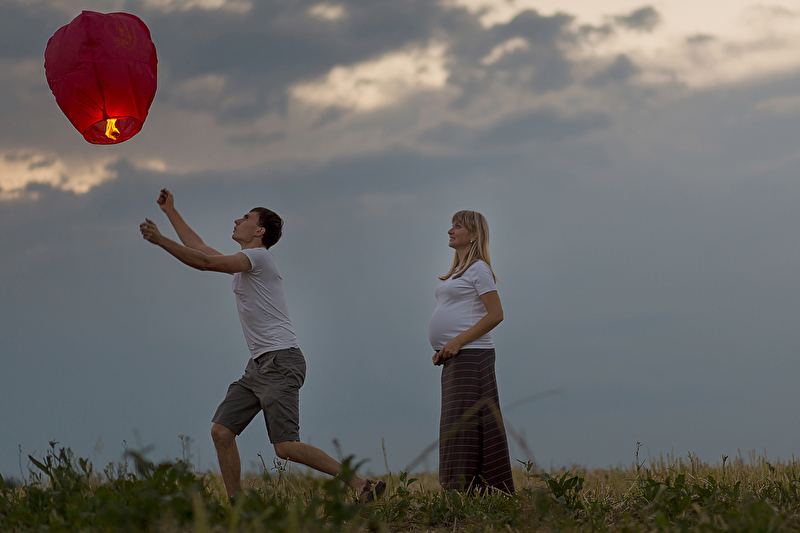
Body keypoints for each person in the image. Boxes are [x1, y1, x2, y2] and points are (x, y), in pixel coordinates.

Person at [140, 189, 385, 502]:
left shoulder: (259, 257)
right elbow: (199, 248)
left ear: (259, 231)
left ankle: (363, 485)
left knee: (286, 447)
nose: (237, 220)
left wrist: (161, 240)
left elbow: (203, 262)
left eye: (245, 217)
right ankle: (238, 508)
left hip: (281, 362)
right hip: (258, 366)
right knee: (221, 432)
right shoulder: (247, 262)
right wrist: (171, 211)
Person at [429, 210, 515, 493]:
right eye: (451, 225)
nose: (450, 230)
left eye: (458, 226)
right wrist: (445, 348)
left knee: (465, 427)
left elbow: (496, 314)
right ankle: (461, 493)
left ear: (474, 235)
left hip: (473, 356)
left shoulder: (479, 269)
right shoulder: (458, 272)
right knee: (455, 426)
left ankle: (478, 491)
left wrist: (457, 341)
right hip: (457, 358)